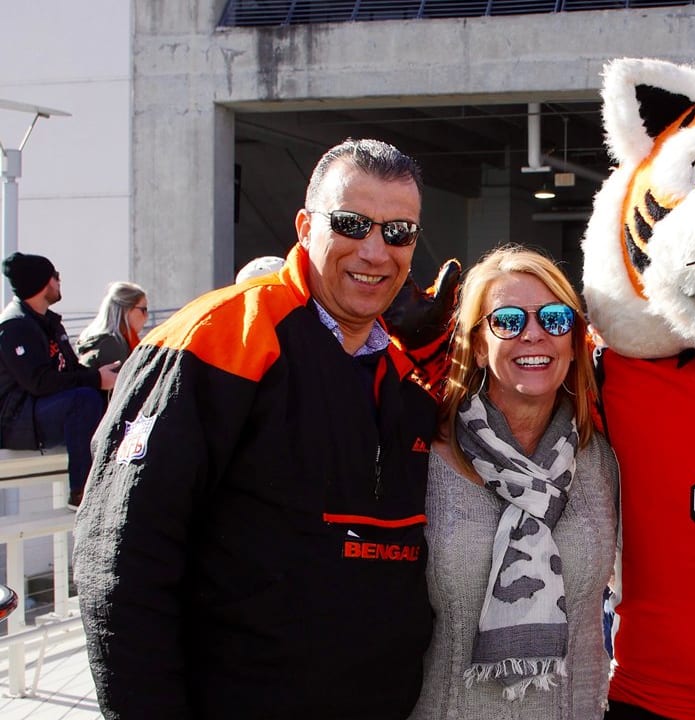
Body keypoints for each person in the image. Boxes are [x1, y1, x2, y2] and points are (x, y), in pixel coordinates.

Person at [73, 138, 456, 719]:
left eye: (399, 232)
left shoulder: (404, 370)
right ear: (306, 227)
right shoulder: (217, 338)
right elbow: (121, 556)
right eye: (352, 224)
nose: (376, 251)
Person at [410, 245, 618, 719]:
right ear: (478, 345)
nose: (534, 335)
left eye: (554, 319)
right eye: (507, 320)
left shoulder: (602, 458)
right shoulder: (424, 455)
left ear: (573, 342)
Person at [0, 252, 117, 508]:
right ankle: (81, 492)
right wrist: (95, 379)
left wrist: (101, 375)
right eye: (55, 276)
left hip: (43, 412)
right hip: (18, 420)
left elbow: (71, 371)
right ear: (43, 283)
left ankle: (115, 479)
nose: (59, 281)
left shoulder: (50, 323)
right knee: (84, 398)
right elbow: (38, 383)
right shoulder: (14, 327)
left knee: (98, 395)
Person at [75, 281, 149, 370]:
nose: (147, 316)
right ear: (126, 310)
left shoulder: (104, 340)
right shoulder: (113, 345)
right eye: (143, 309)